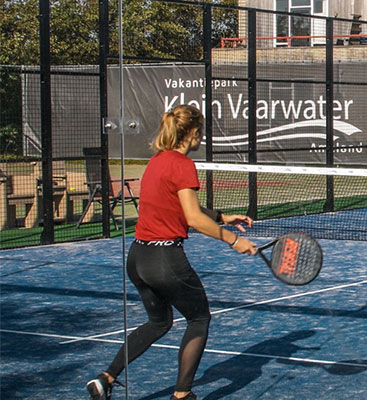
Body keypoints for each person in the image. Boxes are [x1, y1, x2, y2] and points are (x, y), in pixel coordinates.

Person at [86, 105, 257, 400]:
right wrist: (232, 240)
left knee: (159, 322)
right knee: (199, 319)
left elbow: (180, 205)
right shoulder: (182, 164)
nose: (202, 137)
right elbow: (192, 218)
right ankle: (182, 395)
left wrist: (222, 216)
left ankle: (106, 378)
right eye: (200, 131)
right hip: (165, 260)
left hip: (139, 259)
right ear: (191, 133)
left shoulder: (157, 162)